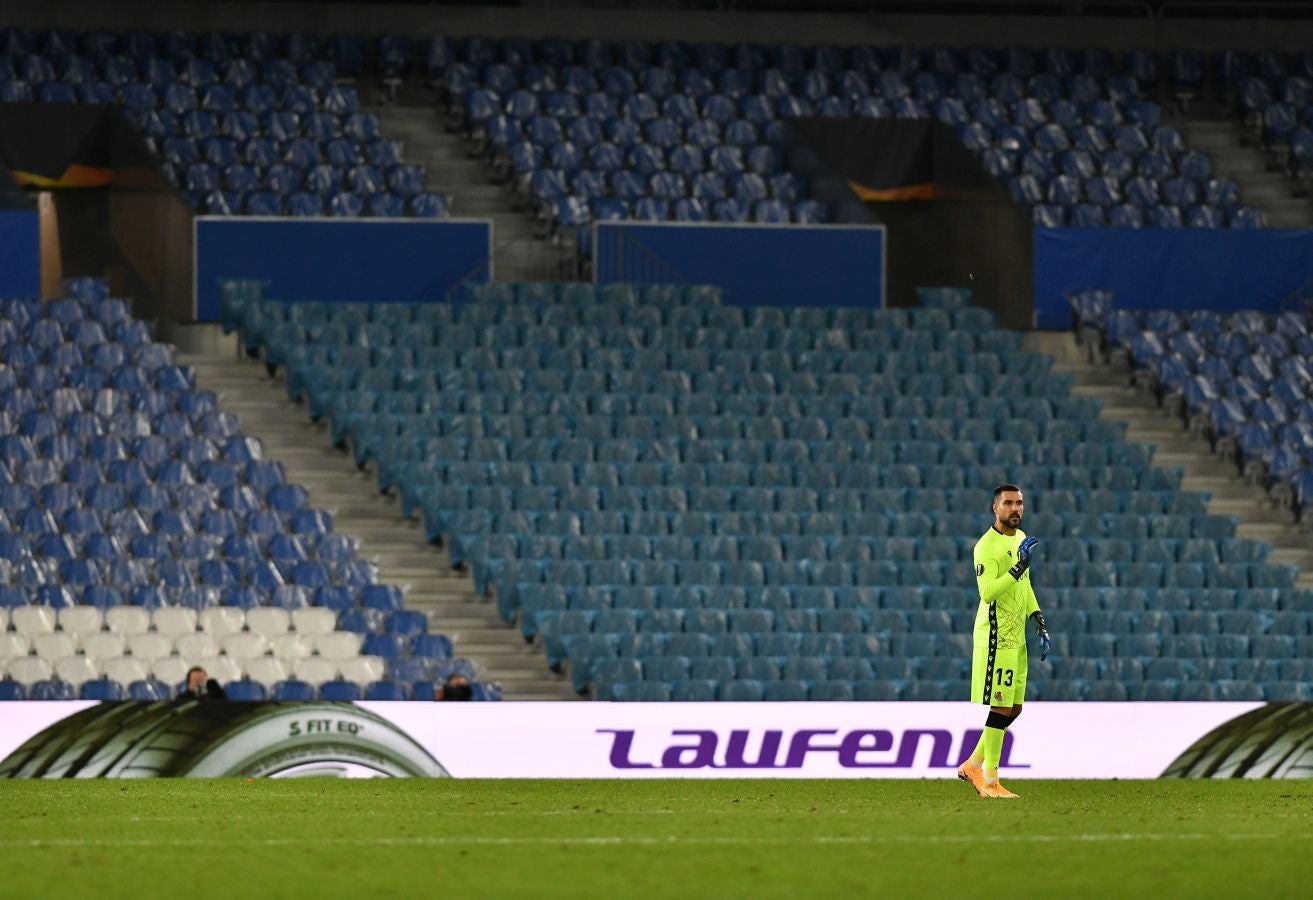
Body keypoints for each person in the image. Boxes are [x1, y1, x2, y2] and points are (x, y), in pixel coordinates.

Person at [957, 483, 1051, 799]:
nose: (1015, 509)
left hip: (1017, 637)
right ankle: (991, 782)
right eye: (1008, 503)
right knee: (1000, 706)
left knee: (1014, 708)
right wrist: (1018, 566)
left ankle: (972, 764)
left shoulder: (1022, 540)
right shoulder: (986, 546)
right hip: (996, 638)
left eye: (1019, 503)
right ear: (995, 508)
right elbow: (988, 592)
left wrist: (1037, 617)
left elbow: (1024, 585)